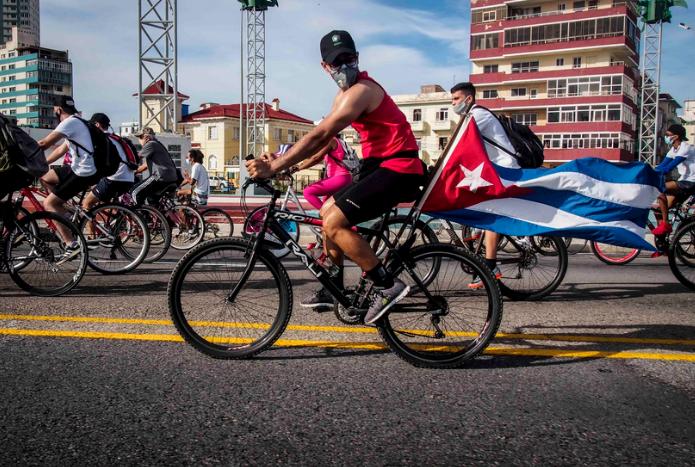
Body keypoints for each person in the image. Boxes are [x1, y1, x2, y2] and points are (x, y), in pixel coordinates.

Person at [246, 30, 425, 325]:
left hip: (399, 168)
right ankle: (334, 286)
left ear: (357, 58)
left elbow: (320, 134)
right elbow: (321, 137)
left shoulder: (362, 91)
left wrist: (276, 167)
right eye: (335, 62)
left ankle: (386, 284)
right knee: (327, 211)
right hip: (379, 166)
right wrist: (279, 158)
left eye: (348, 59)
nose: (343, 66)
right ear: (324, 67)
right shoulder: (343, 97)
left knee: (333, 221)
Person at [450, 82, 517, 289]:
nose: (453, 104)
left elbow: (458, 144)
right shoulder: (470, 116)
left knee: (491, 215)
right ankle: (479, 233)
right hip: (493, 169)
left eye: (456, 99)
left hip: (504, 170)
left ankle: (490, 267)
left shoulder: (478, 115)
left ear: (468, 99)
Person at [37, 96, 99, 254]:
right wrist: (43, 164)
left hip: (82, 171)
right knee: (46, 176)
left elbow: (44, 143)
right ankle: (64, 210)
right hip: (80, 168)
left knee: (49, 204)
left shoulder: (68, 123)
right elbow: (60, 150)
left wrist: (24, 153)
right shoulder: (78, 121)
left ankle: (70, 244)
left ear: (58, 110)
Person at [82, 113, 136, 210]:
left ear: (97, 124)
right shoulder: (117, 138)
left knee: (86, 204)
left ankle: (86, 225)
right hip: (129, 178)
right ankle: (115, 221)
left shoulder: (102, 138)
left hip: (115, 179)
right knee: (105, 202)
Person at [651, 124, 695, 238]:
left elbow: (669, 167)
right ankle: (663, 241)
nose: (665, 137)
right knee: (658, 210)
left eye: (667, 135)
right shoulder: (673, 149)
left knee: (660, 187)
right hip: (683, 181)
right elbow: (662, 166)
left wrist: (654, 174)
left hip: (691, 182)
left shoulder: (685, 147)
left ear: (676, 136)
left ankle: (665, 224)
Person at [293, 137, 353, 210]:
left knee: (308, 192)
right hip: (346, 178)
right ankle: (331, 219)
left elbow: (316, 158)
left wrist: (298, 168)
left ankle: (326, 215)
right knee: (326, 204)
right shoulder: (341, 142)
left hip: (339, 178)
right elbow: (315, 158)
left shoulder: (331, 140)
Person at [130, 127, 179, 206]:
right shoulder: (157, 144)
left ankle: (142, 217)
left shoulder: (150, 144)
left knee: (135, 192)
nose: (139, 140)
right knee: (151, 199)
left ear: (147, 137)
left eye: (140, 137)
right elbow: (145, 166)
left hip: (160, 176)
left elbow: (135, 158)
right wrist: (135, 172)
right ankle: (162, 217)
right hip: (171, 177)